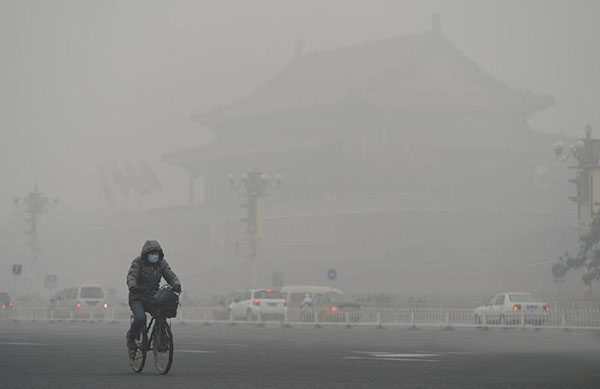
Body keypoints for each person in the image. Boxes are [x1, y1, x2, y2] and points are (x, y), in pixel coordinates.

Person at [126, 240, 181, 349]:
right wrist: (132, 285)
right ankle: (131, 337)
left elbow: (170, 275)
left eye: (156, 253)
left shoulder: (161, 264)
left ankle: (161, 340)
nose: (154, 256)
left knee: (161, 314)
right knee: (141, 318)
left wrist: (176, 283)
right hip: (137, 296)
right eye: (152, 253)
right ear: (146, 254)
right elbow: (132, 276)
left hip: (152, 296)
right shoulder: (138, 263)